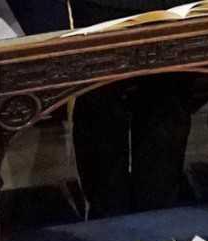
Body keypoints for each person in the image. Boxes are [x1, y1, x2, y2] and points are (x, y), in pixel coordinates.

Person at [70, 0, 195, 215]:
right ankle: (109, 219)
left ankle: (155, 217)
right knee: (100, 107)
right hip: (99, 10)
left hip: (172, 8)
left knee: (167, 104)